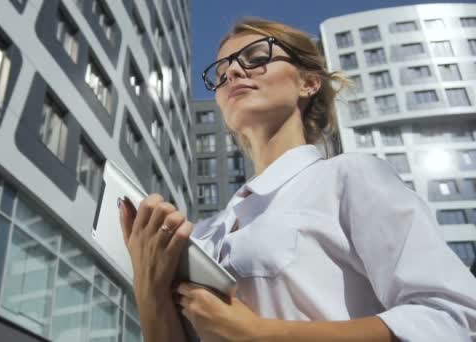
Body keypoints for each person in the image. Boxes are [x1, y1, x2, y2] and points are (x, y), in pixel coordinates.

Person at [118, 17, 476, 342]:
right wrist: (148, 290)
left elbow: (452, 317)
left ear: (308, 82)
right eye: (221, 73)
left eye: (257, 57)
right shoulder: (202, 234)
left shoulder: (349, 178)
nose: (234, 74)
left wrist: (263, 334)